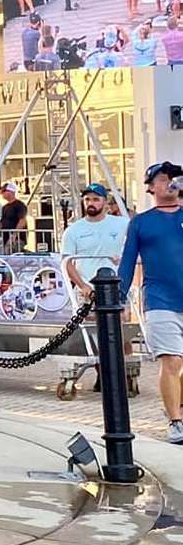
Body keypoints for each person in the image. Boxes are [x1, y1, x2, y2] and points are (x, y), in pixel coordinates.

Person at [118, 161, 183, 444]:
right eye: (162, 178)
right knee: (172, 360)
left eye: (173, 177)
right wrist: (118, 298)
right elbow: (128, 261)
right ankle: (175, 421)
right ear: (151, 187)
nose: (169, 181)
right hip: (160, 300)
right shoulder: (141, 222)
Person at [61, 183, 128, 300]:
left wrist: (124, 258)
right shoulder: (72, 230)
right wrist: (83, 286)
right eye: (87, 199)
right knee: (90, 319)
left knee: (122, 318)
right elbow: (66, 262)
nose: (91, 203)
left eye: (96, 199)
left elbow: (140, 248)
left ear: (106, 202)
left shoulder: (123, 224)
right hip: (88, 293)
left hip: (118, 290)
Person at [0, 181, 29, 253]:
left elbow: (22, 220)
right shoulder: (4, 207)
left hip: (17, 238)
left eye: (4, 191)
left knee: (10, 253)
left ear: (11, 191)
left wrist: (15, 235)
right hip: (6, 238)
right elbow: (3, 222)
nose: (2, 193)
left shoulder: (20, 205)